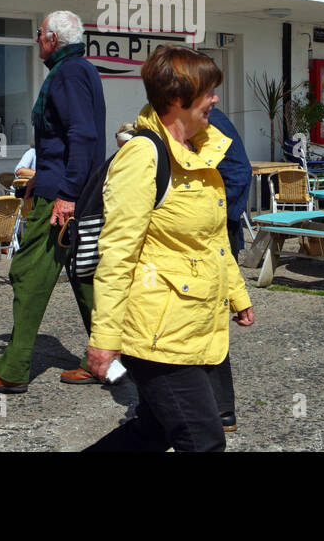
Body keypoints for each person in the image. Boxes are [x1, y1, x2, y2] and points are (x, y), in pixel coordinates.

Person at [83, 45, 255, 452]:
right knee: (203, 442)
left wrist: (237, 293)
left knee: (154, 431)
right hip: (156, 332)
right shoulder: (143, 157)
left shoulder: (199, 151)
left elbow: (211, 238)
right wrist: (104, 337)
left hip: (190, 322)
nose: (215, 99)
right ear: (178, 100)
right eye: (208, 92)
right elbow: (117, 253)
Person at [0, 10, 106, 393]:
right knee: (83, 275)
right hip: (69, 189)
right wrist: (43, 180)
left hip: (66, 197)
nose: (36, 40)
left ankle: (13, 368)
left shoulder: (69, 74)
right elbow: (64, 141)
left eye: (40, 33)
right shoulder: (80, 69)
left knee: (27, 273)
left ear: (53, 39)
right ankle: (106, 358)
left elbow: (82, 136)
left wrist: (66, 195)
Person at [207, 105, 251, 434]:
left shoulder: (209, 118)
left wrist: (219, 216)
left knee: (209, 318)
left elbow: (239, 172)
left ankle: (221, 407)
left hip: (215, 231)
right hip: (208, 230)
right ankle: (218, 407)